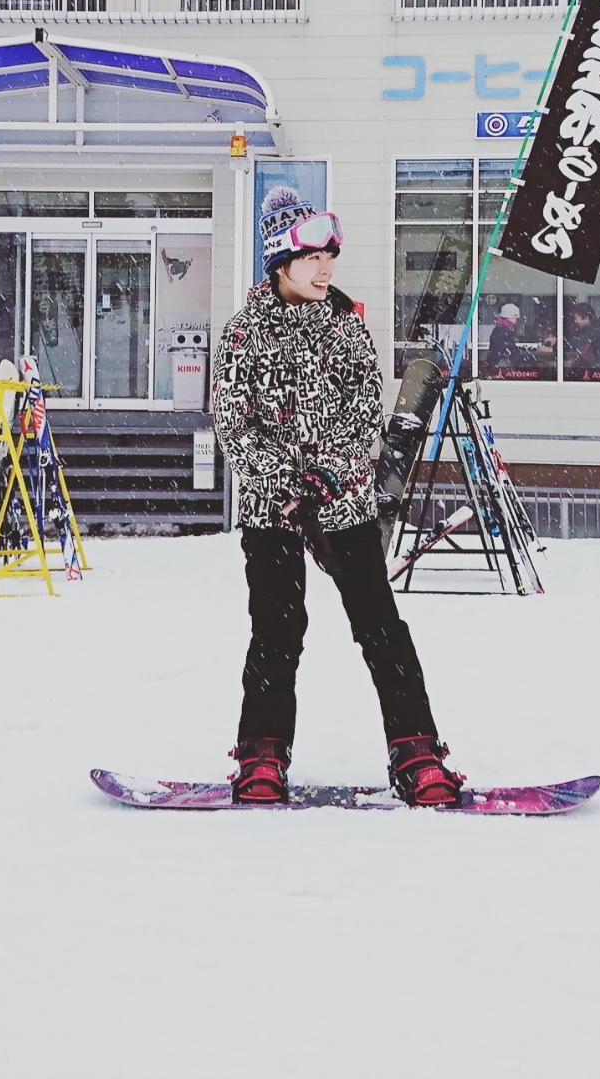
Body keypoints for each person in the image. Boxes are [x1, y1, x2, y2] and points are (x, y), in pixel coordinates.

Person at [210, 185, 463, 807]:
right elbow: (233, 422)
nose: (326, 269)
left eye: (331, 257)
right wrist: (286, 490)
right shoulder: (244, 333)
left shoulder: (347, 326)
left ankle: (417, 752)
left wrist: (323, 483)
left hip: (343, 507)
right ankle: (261, 754)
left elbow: (361, 412)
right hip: (273, 513)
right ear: (281, 261)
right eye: (313, 257)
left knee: (379, 626)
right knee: (276, 629)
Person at [565, 300, 600, 378]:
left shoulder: (596, 330)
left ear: (587, 318)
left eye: (577, 318)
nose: (575, 321)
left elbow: (576, 344)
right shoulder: (598, 328)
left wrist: (558, 346)